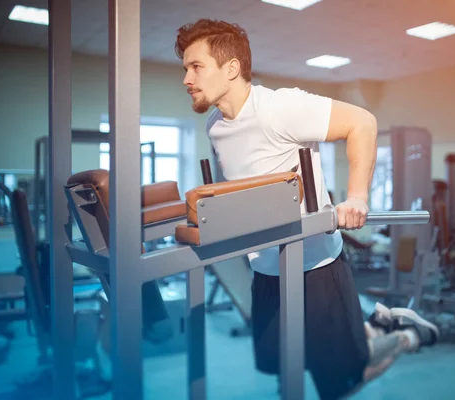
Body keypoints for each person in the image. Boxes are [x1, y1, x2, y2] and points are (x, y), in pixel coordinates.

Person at [175, 19, 440, 400]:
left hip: (316, 270)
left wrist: (357, 198)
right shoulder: (215, 127)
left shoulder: (279, 107)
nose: (186, 78)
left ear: (231, 68)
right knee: (283, 371)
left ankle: (403, 334)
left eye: (195, 66)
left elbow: (362, 123)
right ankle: (372, 326)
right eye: (186, 68)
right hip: (266, 272)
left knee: (343, 380)